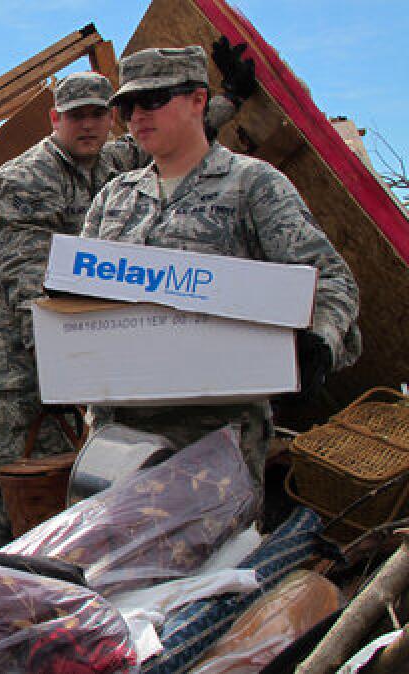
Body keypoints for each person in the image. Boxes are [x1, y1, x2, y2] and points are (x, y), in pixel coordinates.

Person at [0, 50, 257, 550]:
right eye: (76, 115)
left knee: (30, 476)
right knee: (6, 481)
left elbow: (177, 142)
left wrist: (229, 99)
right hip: (6, 351)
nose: (88, 124)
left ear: (111, 116)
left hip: (59, 340)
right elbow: (27, 275)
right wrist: (66, 362)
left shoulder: (113, 161)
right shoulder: (24, 176)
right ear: (55, 119)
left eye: (98, 113)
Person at [80, 46, 360, 488]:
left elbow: (328, 278)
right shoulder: (113, 198)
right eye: (127, 105)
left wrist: (318, 343)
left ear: (198, 100)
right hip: (115, 439)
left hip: (213, 443)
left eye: (153, 100)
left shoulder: (253, 186)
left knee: (207, 557)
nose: (136, 116)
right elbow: (79, 299)